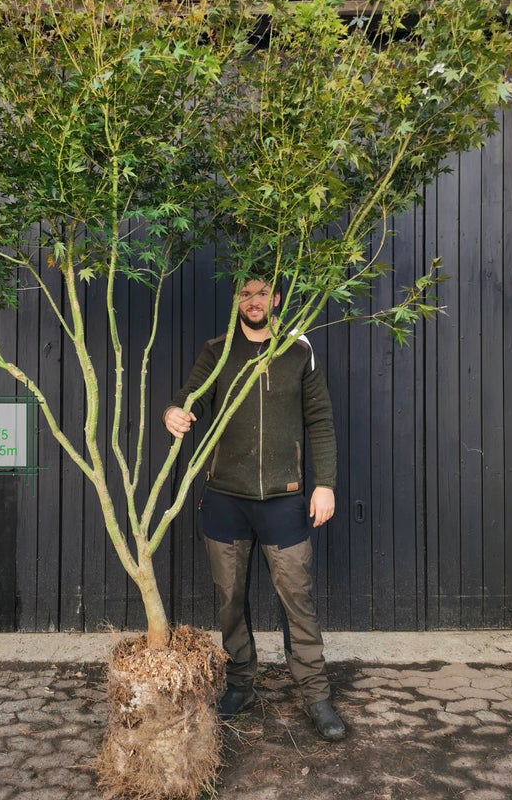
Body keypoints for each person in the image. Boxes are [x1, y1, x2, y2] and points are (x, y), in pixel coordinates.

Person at [163, 278, 346, 741]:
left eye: (262, 293)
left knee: (297, 600)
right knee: (229, 600)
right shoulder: (218, 350)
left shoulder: (297, 350)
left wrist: (323, 484)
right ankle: (241, 684)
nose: (254, 302)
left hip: (285, 499)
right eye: (245, 294)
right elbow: (193, 397)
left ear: (277, 298)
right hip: (225, 495)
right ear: (235, 300)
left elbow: (320, 419)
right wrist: (176, 413)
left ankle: (315, 695)